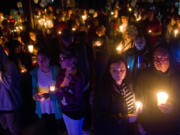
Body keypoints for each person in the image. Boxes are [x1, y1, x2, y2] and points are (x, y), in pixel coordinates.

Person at [135, 47, 180, 135]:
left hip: (170, 126)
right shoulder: (144, 76)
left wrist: (173, 109)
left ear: (170, 59)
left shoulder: (177, 78)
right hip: (149, 126)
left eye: (163, 58)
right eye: (156, 58)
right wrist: (139, 123)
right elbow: (138, 100)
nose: (159, 61)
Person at [94, 57, 136, 135]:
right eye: (114, 70)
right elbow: (101, 117)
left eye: (122, 70)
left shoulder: (128, 85)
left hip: (126, 129)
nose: (119, 73)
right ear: (109, 71)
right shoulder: (104, 90)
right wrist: (125, 118)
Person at [30, 50, 62, 134]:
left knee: (55, 125)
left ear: (49, 59)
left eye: (43, 59)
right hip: (43, 104)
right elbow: (34, 88)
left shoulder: (55, 70)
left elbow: (61, 87)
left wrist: (50, 95)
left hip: (54, 103)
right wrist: (35, 95)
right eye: (38, 59)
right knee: (47, 125)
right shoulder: (35, 72)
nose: (40, 62)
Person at [56, 50, 86, 135]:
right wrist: (63, 84)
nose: (60, 61)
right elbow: (57, 94)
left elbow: (77, 101)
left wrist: (62, 90)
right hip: (65, 110)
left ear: (73, 60)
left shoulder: (78, 77)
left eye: (62, 58)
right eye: (59, 58)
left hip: (76, 112)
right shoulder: (61, 73)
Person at [0, 46, 22, 135]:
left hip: (10, 104)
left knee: (14, 129)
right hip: (1, 105)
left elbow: (9, 85)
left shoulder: (10, 65)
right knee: (4, 127)